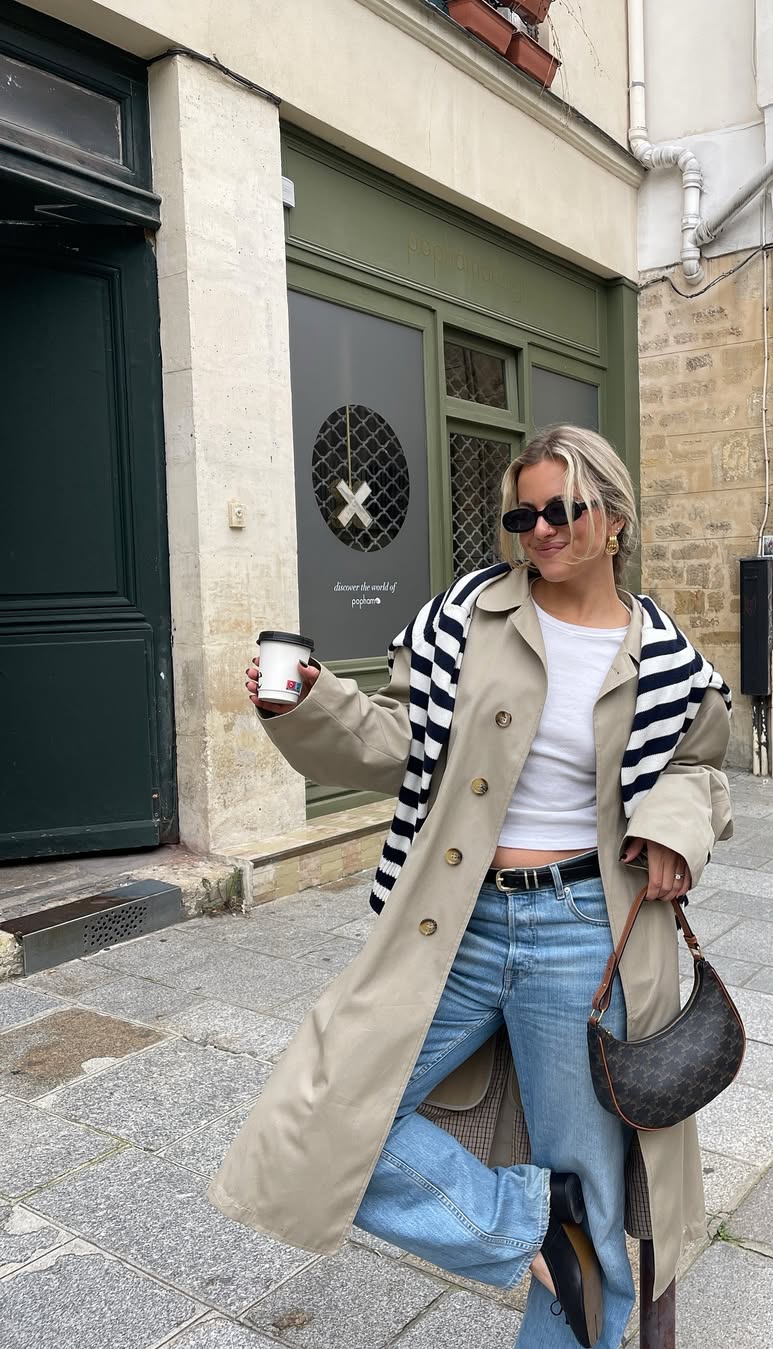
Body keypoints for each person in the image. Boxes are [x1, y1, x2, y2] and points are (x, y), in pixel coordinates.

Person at [208, 425, 733, 1348]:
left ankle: (569, 1251)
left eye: (563, 510)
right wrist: (311, 703)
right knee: (326, 1113)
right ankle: (524, 1225)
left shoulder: (662, 653)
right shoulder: (466, 616)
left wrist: (675, 828)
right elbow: (402, 745)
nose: (541, 529)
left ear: (613, 520)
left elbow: (699, 763)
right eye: (523, 513)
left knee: (596, 1197)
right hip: (454, 922)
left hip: (583, 927)